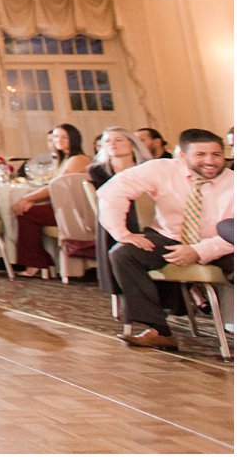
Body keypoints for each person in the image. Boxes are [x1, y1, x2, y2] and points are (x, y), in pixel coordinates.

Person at [99, 128, 234, 350]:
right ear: (182, 155)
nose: (210, 161)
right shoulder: (161, 169)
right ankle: (158, 330)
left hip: (220, 244)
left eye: (217, 155)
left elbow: (233, 233)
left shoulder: (233, 181)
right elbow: (112, 191)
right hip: (169, 237)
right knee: (123, 253)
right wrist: (121, 233)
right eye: (200, 155)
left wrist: (199, 251)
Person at [11, 123, 92, 278]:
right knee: (27, 211)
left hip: (74, 211)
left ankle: (36, 262)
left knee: (26, 213)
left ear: (73, 139)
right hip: (62, 206)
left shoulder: (78, 159)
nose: (58, 140)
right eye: (55, 137)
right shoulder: (64, 159)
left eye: (63, 137)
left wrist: (27, 198)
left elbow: (57, 186)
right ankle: (38, 261)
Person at [89, 126, 153, 302]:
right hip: (115, 218)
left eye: (118, 140)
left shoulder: (147, 167)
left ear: (132, 144)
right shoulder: (98, 170)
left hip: (150, 214)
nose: (113, 144)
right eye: (107, 141)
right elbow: (108, 200)